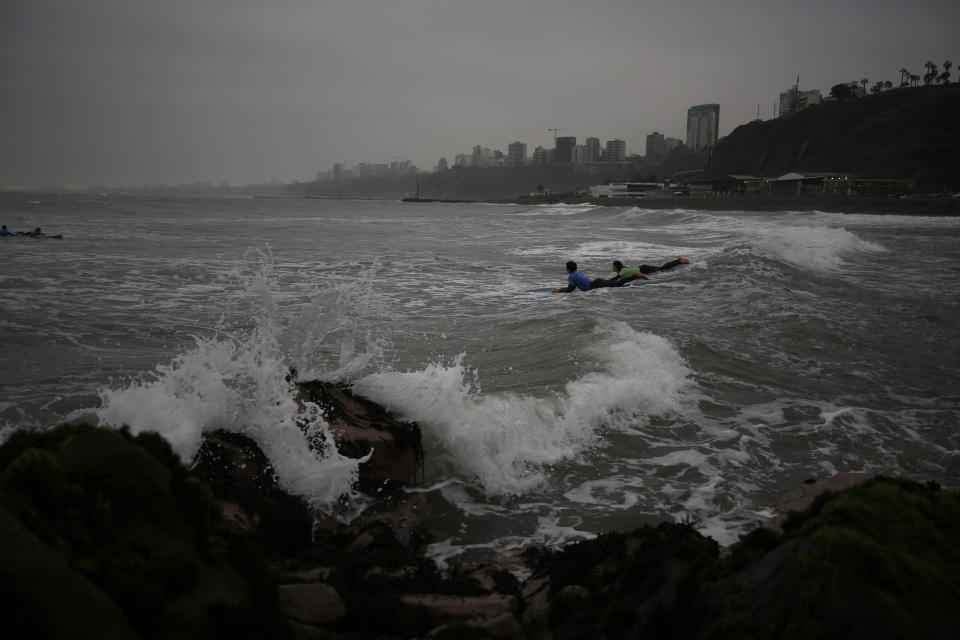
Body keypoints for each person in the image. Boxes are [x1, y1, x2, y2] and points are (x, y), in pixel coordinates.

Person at [552, 260, 623, 293]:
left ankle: (631, 282)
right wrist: (561, 289)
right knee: (617, 284)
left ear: (568, 269)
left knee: (618, 284)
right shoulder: (578, 273)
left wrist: (559, 291)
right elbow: (571, 288)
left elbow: (570, 289)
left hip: (595, 285)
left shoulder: (571, 276)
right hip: (596, 283)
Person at [610, 257, 689, 284]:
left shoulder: (622, 271)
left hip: (644, 269)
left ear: (616, 267)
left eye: (613, 266)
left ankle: (679, 261)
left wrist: (606, 282)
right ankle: (678, 261)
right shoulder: (623, 269)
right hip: (643, 268)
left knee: (662, 269)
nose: (612, 268)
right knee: (661, 268)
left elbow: (616, 278)